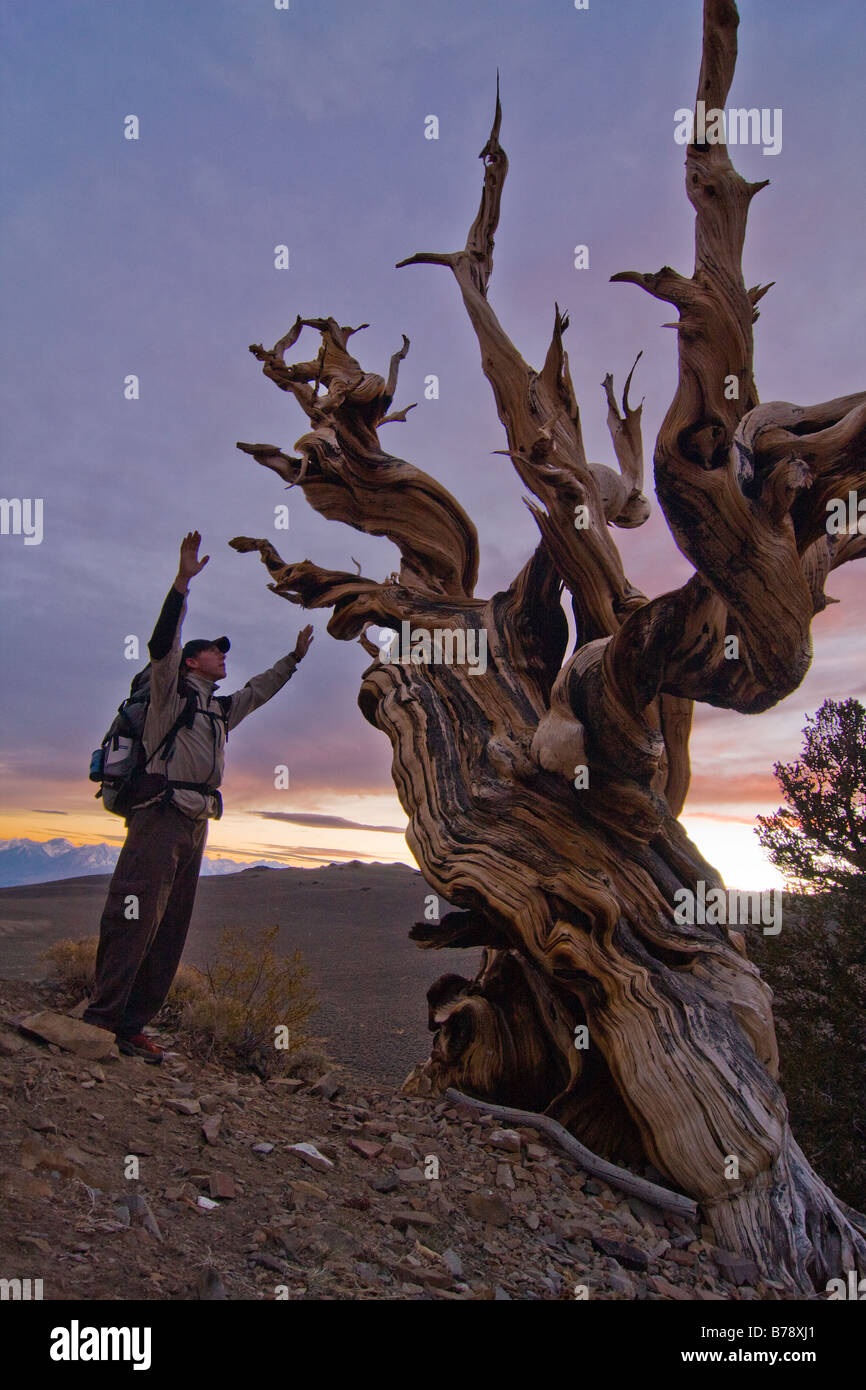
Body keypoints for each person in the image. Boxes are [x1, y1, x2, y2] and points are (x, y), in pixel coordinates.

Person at [82, 531, 313, 1062]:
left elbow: (258, 690)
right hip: (159, 816)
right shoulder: (169, 693)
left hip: (196, 821)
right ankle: (101, 1019)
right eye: (214, 651)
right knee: (134, 914)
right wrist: (182, 583)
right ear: (191, 662)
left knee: (171, 928)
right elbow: (162, 643)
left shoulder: (216, 710)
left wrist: (293, 659)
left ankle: (132, 1026)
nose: (222, 656)